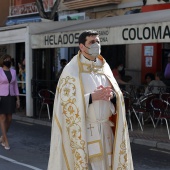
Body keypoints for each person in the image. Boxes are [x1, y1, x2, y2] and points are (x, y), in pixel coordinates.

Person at [48, 30, 133, 170]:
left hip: (106, 130)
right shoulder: (71, 70)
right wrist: (92, 97)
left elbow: (117, 95)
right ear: (81, 46)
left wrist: (111, 95)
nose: (96, 45)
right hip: (86, 132)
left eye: (98, 42)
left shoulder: (104, 67)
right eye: (92, 42)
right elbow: (65, 104)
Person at [0, 54, 20, 150]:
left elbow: (15, 86)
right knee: (3, 117)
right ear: (2, 61)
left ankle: (3, 137)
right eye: (6, 59)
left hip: (11, 96)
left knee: (10, 118)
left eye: (9, 59)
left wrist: (18, 99)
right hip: (1, 97)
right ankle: (6, 140)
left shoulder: (13, 71)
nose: (7, 61)